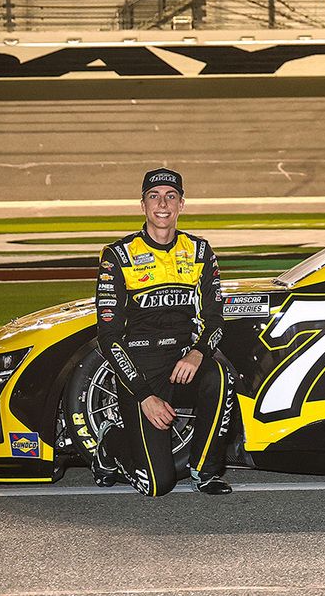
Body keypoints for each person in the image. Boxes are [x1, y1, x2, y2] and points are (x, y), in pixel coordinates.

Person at [91, 168, 235, 497]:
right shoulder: (117, 256)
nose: (163, 204)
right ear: (142, 205)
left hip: (182, 362)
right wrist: (144, 395)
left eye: (171, 196)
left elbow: (215, 319)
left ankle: (205, 470)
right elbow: (108, 337)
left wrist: (198, 353)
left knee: (220, 375)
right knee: (156, 485)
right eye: (154, 196)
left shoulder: (199, 251)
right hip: (140, 369)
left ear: (181, 204)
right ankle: (111, 442)